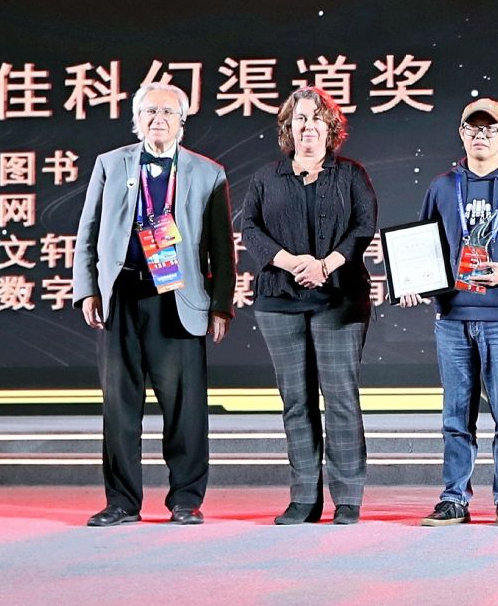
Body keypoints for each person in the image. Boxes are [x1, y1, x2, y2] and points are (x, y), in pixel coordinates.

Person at [73, 81, 235, 527]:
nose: (158, 119)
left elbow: (222, 248)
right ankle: (122, 502)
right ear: (136, 119)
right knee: (119, 406)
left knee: (185, 407)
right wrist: (87, 289)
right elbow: (88, 233)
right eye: (149, 111)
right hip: (121, 296)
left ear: (182, 121)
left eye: (167, 112)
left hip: (177, 298)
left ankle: (186, 499)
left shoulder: (208, 173)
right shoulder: (110, 164)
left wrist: (221, 305)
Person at [400, 97, 498, 528]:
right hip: (452, 318)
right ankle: (454, 498)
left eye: (490, 129)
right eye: (473, 128)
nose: (480, 136)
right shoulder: (442, 186)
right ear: (462, 134)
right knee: (455, 417)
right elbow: (424, 246)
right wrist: (413, 281)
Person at [236, 86, 378, 526]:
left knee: (340, 398)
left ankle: (347, 497)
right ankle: (304, 498)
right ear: (288, 127)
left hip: (340, 299)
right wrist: (289, 262)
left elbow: (363, 226)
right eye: (299, 118)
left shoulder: (351, 174)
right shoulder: (266, 177)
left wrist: (325, 265)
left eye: (317, 118)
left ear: (330, 127)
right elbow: (250, 229)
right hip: (280, 300)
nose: (308, 126)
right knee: (296, 401)